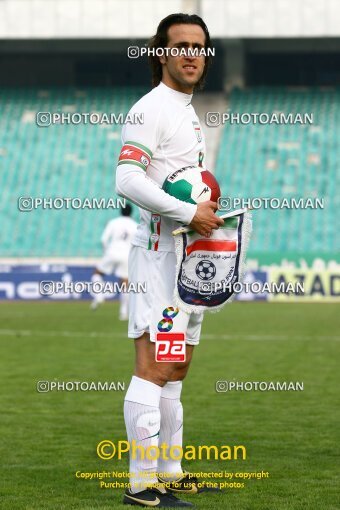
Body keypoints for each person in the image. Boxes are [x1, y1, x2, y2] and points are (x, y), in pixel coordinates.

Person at [116, 13, 224, 508]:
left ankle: (171, 473)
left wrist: (204, 208)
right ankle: (140, 485)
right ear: (161, 52)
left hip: (186, 257)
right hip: (159, 259)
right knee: (154, 369)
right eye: (180, 46)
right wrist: (188, 211)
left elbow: (177, 177)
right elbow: (128, 180)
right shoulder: (151, 108)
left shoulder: (185, 108)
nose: (190, 54)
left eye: (198, 47)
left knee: (176, 371)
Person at [91, 204, 137, 319]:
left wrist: (106, 252)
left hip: (112, 252)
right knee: (125, 284)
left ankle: (99, 296)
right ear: (131, 213)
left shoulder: (113, 222)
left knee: (97, 273)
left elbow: (103, 239)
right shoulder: (135, 225)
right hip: (127, 254)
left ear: (121, 211)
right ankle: (123, 312)